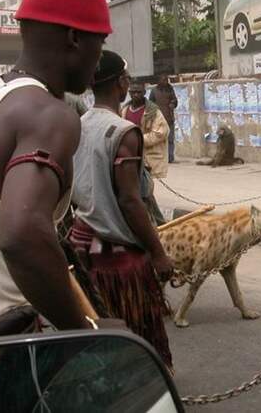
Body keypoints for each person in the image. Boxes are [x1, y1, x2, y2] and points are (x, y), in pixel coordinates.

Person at [0, 0, 116, 337]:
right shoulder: (49, 115)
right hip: (3, 342)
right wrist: (84, 330)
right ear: (74, 38)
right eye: (99, 42)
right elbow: (20, 233)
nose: (100, 58)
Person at [69, 51, 174, 370]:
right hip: (120, 260)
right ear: (122, 83)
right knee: (135, 336)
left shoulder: (78, 124)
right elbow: (130, 200)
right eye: (128, 79)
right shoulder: (123, 132)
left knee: (98, 335)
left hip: (83, 247)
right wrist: (158, 253)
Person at [122, 81, 169, 225]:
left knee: (145, 191)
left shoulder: (153, 111)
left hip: (147, 158)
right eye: (133, 92)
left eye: (139, 92)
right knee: (137, 193)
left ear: (144, 92)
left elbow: (161, 133)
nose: (136, 95)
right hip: (129, 158)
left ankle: (159, 224)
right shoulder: (124, 110)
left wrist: (138, 140)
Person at [149, 75, 178, 163]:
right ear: (159, 81)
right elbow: (150, 103)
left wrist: (173, 104)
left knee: (170, 139)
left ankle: (170, 157)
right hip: (158, 119)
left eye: (166, 80)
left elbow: (175, 100)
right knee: (159, 139)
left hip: (169, 118)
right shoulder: (154, 91)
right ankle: (160, 157)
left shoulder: (170, 89)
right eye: (164, 80)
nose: (166, 82)